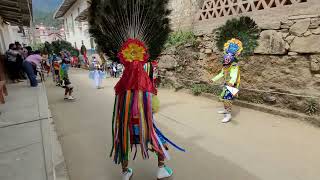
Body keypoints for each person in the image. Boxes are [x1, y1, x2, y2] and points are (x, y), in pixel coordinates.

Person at [211, 38, 243, 123]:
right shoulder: (225, 66)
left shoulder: (234, 65)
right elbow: (221, 74)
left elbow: (234, 75)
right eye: (225, 61)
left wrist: (232, 82)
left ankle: (228, 115)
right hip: (227, 84)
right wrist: (213, 80)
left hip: (233, 85)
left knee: (227, 99)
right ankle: (225, 111)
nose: (226, 63)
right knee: (224, 98)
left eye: (228, 61)